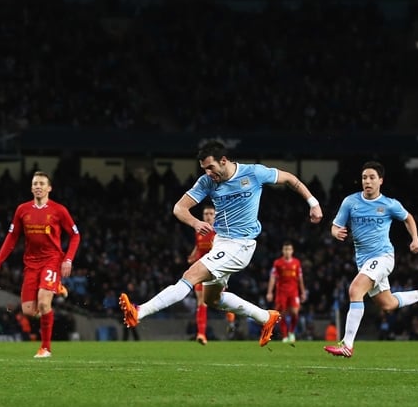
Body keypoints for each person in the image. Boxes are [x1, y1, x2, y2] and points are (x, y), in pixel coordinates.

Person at [118, 139, 323, 347]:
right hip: (221, 243)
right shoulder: (206, 181)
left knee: (190, 276)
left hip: (241, 244)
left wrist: (313, 203)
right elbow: (179, 208)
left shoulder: (253, 173)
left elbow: (289, 178)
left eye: (210, 167)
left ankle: (140, 311)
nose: (207, 173)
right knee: (211, 299)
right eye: (204, 169)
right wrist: (195, 222)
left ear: (223, 161)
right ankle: (265, 317)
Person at [324, 161, 418, 357]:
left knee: (355, 290)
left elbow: (408, 218)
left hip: (383, 257)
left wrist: (415, 239)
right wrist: (336, 232)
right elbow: (335, 225)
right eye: (364, 178)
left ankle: (347, 344)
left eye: (372, 178)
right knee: (387, 304)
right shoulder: (350, 202)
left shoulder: (389, 204)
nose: (367, 181)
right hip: (364, 262)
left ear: (380, 180)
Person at [0, 171, 80, 358]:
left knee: (44, 304)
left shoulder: (59, 210)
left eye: (42, 183)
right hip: (31, 263)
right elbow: (12, 237)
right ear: (31, 188)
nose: (38, 186)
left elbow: (75, 235)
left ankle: (45, 348)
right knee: (28, 311)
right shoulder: (22, 210)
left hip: (52, 260)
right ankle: (57, 287)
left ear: (49, 188)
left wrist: (68, 259)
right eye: (35, 183)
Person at [265, 240, 306, 344]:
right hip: (281, 291)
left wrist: (303, 292)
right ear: (283, 251)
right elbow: (273, 277)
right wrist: (270, 292)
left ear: (292, 251)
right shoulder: (278, 263)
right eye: (285, 249)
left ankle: (291, 332)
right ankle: (284, 335)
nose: (287, 251)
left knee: (295, 312)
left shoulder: (296, 263)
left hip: (293, 291)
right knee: (281, 313)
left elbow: (300, 278)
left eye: (289, 249)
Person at [186, 204, 216, 345]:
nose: (208, 216)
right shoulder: (200, 231)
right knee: (201, 302)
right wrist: (192, 256)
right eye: (206, 214)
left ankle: (231, 321)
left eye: (211, 213)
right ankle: (201, 334)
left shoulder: (220, 232)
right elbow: (198, 246)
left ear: (215, 216)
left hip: (215, 271)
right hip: (200, 270)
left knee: (218, 301)